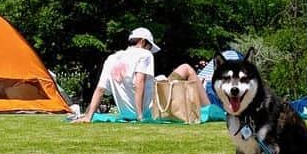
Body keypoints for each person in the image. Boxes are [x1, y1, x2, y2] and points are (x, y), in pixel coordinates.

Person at [76, 27, 208, 122]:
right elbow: (140, 82)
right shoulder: (144, 54)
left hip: (126, 113)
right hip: (148, 110)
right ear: (143, 42)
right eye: (150, 46)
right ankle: (209, 109)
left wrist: (89, 116)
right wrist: (140, 116)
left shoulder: (111, 59)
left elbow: (100, 89)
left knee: (160, 78)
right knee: (186, 68)